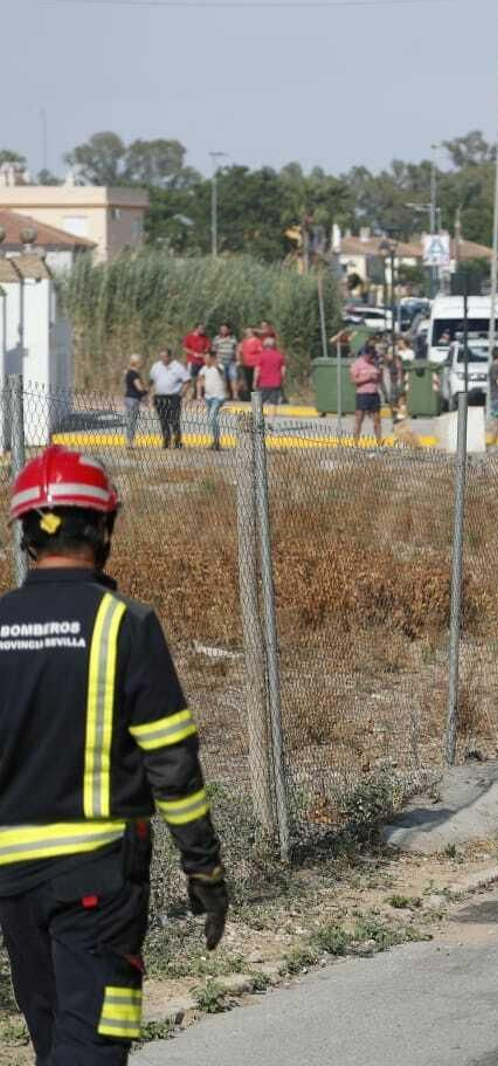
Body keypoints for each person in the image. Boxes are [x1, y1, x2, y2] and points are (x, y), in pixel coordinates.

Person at [0, 446, 229, 1066]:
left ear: (26, 534)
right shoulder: (126, 623)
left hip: (13, 883)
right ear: (104, 527)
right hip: (99, 879)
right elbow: (172, 766)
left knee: (52, 1038)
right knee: (94, 1044)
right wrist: (203, 869)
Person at [148, 348, 188, 450]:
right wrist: (151, 396)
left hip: (173, 397)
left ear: (170, 356)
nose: (163, 359)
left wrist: (181, 394)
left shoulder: (178, 367)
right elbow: (151, 382)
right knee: (163, 420)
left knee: (174, 420)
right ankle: (166, 441)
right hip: (159, 396)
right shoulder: (156, 366)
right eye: (161, 357)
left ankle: (177, 441)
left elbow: (187, 381)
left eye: (165, 357)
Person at [350, 342, 383, 447]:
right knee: (359, 420)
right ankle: (355, 444)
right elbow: (353, 380)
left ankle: (379, 444)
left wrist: (379, 375)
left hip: (374, 394)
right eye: (370, 356)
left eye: (373, 356)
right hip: (362, 395)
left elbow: (379, 379)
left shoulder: (375, 363)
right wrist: (367, 378)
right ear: (365, 354)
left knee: (377, 420)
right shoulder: (357, 364)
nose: (371, 358)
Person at [197, 350, 228, 451]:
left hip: (218, 397)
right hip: (208, 397)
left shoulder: (219, 367)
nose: (205, 360)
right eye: (204, 358)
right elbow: (199, 381)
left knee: (212, 417)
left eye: (207, 358)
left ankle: (217, 441)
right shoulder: (203, 369)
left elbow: (222, 372)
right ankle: (215, 441)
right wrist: (199, 394)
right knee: (212, 419)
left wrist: (216, 364)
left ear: (212, 358)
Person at [255, 336, 286, 410]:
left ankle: (257, 416)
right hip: (276, 383)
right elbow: (283, 370)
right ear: (274, 345)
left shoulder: (261, 356)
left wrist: (255, 381)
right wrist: (281, 380)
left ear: (264, 345)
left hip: (263, 382)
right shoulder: (279, 356)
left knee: (258, 402)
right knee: (273, 403)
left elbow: (257, 370)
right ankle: (272, 417)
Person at [122, 356, 147, 450]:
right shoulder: (133, 373)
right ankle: (130, 442)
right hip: (133, 399)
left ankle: (130, 441)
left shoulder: (130, 372)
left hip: (130, 398)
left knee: (131, 421)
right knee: (131, 421)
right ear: (137, 362)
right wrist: (146, 393)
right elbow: (139, 387)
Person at [211, 323, 239, 400]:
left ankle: (235, 395)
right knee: (223, 379)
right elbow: (213, 351)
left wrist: (238, 360)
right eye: (222, 329)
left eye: (225, 329)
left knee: (233, 378)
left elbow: (236, 350)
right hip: (220, 362)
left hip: (231, 362)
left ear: (228, 330)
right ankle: (225, 395)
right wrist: (214, 362)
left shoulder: (233, 338)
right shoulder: (216, 338)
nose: (223, 330)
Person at [181, 324, 209, 400]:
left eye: (203, 328)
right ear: (196, 329)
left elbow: (207, 347)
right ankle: (186, 395)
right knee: (190, 378)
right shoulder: (189, 337)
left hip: (202, 362)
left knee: (201, 378)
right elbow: (185, 348)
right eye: (201, 328)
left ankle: (199, 395)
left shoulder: (205, 338)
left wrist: (204, 352)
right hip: (192, 361)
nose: (203, 330)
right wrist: (194, 353)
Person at [236, 327, 261, 402]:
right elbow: (240, 351)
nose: (247, 333)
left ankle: (256, 399)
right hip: (246, 364)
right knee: (248, 381)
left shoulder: (257, 341)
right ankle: (250, 398)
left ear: (252, 333)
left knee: (255, 381)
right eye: (246, 332)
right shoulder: (244, 341)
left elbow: (260, 352)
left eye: (249, 332)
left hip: (255, 364)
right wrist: (239, 360)